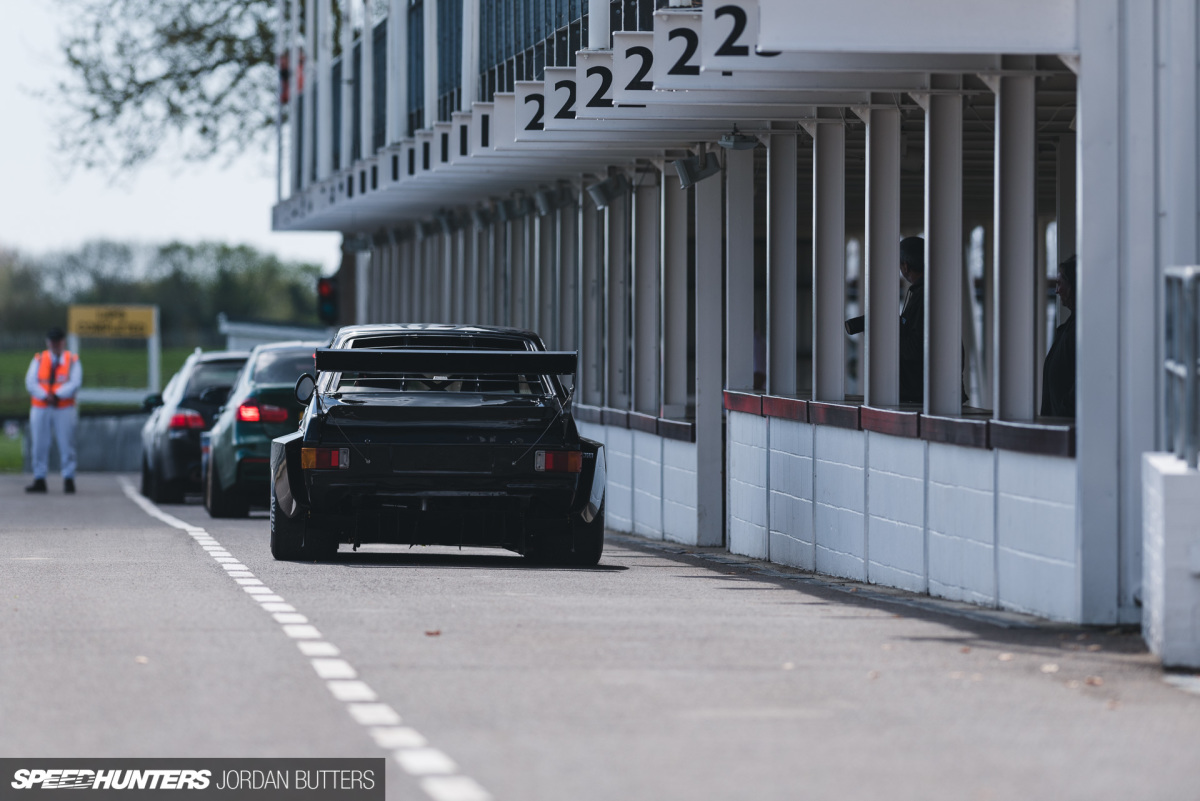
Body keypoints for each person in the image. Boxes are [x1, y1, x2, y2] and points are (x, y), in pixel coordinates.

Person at [24, 328, 83, 493]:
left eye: (58, 341)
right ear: (48, 342)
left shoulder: (72, 360)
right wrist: (45, 395)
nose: (55, 344)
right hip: (41, 406)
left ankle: (69, 478)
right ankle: (39, 478)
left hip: (63, 407)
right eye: (52, 341)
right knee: (39, 444)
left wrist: (56, 395)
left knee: (67, 443)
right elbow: (30, 382)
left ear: (63, 342)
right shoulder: (39, 359)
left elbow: (75, 382)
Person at [1041, 256, 1076, 417]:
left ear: (1073, 286)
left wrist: (1063, 413)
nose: (1056, 290)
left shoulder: (1077, 331)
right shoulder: (1070, 328)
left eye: (1059, 283)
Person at [898, 236, 925, 403]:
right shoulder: (937, 289)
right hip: (929, 390)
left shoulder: (921, 296)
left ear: (906, 266)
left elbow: (915, 348)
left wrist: (893, 332)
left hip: (919, 394)